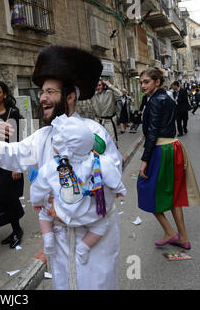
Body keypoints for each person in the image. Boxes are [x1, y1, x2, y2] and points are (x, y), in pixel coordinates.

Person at [0, 45, 122, 289]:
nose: (42, 98)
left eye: (50, 91)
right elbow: (12, 155)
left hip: (94, 240)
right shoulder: (44, 136)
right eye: (42, 91)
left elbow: (107, 185)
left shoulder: (94, 134)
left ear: (70, 96)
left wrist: (63, 209)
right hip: (61, 240)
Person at [30, 115, 126, 266]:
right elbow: (113, 176)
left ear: (64, 146)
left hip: (63, 212)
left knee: (44, 213)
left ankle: (48, 239)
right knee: (101, 226)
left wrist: (36, 201)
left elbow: (39, 186)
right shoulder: (97, 160)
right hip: (89, 215)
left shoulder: (53, 166)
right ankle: (84, 247)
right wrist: (119, 189)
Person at [137, 68, 200, 250]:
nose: (143, 85)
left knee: (145, 188)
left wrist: (144, 160)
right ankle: (183, 238)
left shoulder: (156, 101)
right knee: (173, 194)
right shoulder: (165, 96)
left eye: (146, 81)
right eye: (141, 82)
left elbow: (152, 133)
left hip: (161, 148)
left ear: (157, 82)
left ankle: (170, 232)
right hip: (173, 147)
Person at [0, 81, 25, 249]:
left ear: (5, 95)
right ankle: (15, 228)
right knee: (0, 196)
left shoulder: (12, 113)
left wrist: (17, 166)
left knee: (8, 196)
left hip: (10, 161)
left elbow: (19, 140)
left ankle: (17, 230)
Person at [91, 79, 123, 147]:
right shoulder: (94, 95)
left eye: (99, 85)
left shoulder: (110, 93)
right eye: (96, 86)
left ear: (103, 86)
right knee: (99, 140)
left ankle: (113, 156)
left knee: (111, 141)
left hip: (109, 121)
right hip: (98, 120)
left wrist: (110, 85)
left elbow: (120, 94)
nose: (98, 87)